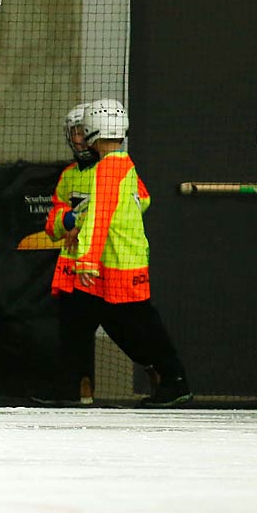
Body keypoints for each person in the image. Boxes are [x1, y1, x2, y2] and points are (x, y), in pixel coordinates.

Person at [44, 98, 192, 406]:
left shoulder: (112, 168)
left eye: (84, 131)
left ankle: (170, 377)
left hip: (112, 263)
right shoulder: (73, 174)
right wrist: (69, 219)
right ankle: (73, 386)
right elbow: (55, 220)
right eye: (76, 132)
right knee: (74, 324)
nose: (81, 138)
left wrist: (86, 244)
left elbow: (118, 210)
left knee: (135, 324)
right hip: (90, 266)